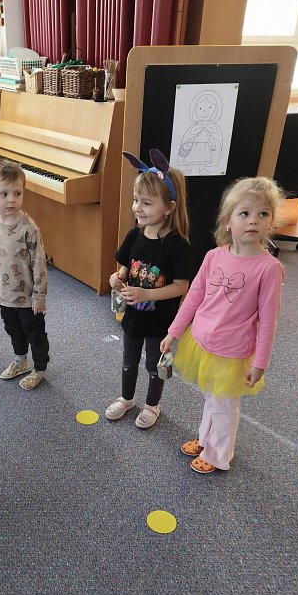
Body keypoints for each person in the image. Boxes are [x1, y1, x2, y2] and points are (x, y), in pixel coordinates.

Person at [160, 176, 285, 474]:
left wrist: (260, 362)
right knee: (211, 399)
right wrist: (174, 331)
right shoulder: (213, 256)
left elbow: (268, 320)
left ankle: (218, 456)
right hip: (204, 341)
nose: (253, 220)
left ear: (271, 222)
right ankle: (206, 440)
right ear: (227, 221)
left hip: (233, 351)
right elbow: (193, 297)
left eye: (263, 214)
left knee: (225, 406)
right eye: (244, 213)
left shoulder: (269, 269)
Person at [106, 149, 191, 429]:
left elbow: (181, 286)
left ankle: (153, 405)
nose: (137, 208)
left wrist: (147, 294)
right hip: (133, 316)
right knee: (128, 361)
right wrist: (116, 279)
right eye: (135, 200)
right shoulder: (134, 236)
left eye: (146, 203)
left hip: (160, 321)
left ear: (168, 208)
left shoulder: (177, 245)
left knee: (155, 365)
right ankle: (126, 398)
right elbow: (124, 269)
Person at [0, 159, 49, 391]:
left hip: (28, 299)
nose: (11, 199)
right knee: (14, 331)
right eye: (4, 193)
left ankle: (39, 369)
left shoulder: (29, 228)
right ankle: (21, 361)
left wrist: (39, 296)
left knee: (35, 334)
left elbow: (39, 265)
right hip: (4, 295)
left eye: (17, 193)